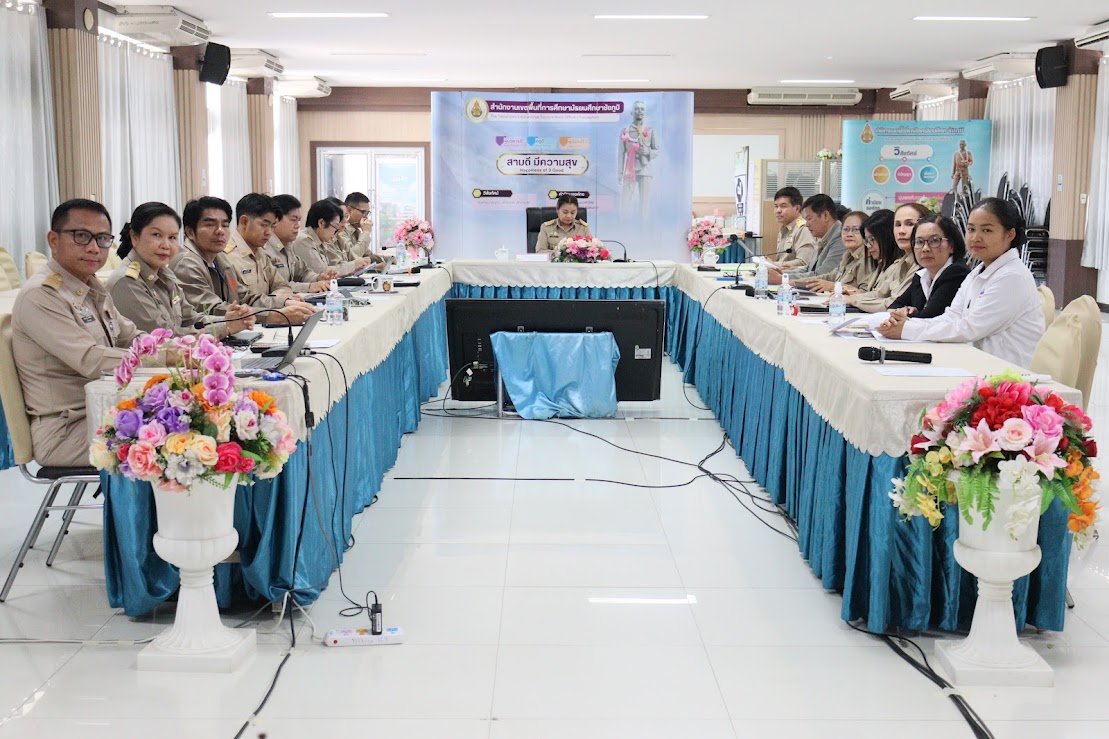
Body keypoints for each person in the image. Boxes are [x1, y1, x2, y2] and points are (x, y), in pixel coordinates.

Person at [12, 199, 141, 466]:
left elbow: (131, 336)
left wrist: (182, 350)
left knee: (200, 415)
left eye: (103, 238)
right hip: (67, 431)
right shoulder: (41, 295)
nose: (94, 248)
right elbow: (92, 360)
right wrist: (163, 360)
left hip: (105, 409)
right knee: (183, 436)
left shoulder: (90, 287)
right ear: (53, 240)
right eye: (81, 236)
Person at [877, 198, 1045, 367]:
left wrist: (907, 330)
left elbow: (971, 327)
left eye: (986, 230)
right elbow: (952, 316)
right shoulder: (977, 273)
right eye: (971, 229)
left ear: (1010, 234)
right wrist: (907, 324)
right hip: (977, 365)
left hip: (1005, 376)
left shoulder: (1012, 277)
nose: (975, 237)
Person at [107, 202, 254, 336]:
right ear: (134, 237)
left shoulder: (165, 273)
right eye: (156, 235)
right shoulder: (127, 282)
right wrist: (225, 328)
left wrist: (227, 320)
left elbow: (191, 318)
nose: (166, 245)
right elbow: (163, 337)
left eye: (172, 237)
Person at [172, 196, 314, 327]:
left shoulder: (219, 259)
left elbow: (243, 297)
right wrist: (274, 315)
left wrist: (283, 302)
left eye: (225, 225)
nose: (220, 231)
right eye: (210, 225)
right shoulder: (187, 263)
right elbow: (213, 309)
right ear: (190, 232)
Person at [223, 193, 315, 326]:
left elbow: (281, 285)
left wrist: (281, 299)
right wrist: (280, 302)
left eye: (272, 226)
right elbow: (241, 301)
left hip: (268, 322)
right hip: (248, 326)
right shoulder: (227, 257)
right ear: (244, 221)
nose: (269, 232)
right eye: (264, 225)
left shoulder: (260, 251)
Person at [845, 203, 929, 313]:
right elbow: (879, 293)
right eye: (897, 225)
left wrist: (854, 300)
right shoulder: (900, 264)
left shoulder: (922, 265)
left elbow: (894, 303)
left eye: (909, 224)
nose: (901, 231)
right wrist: (851, 298)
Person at [886, 214, 970, 319]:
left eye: (934, 240)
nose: (925, 248)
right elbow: (894, 306)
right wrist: (905, 310)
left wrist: (907, 314)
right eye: (919, 242)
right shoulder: (922, 274)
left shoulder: (957, 273)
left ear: (952, 246)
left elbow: (930, 317)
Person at [265, 194, 336, 293]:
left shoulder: (287, 246)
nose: (297, 226)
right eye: (293, 220)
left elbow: (303, 273)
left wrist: (318, 278)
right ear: (275, 220)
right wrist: (309, 287)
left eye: (299, 221)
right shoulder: (265, 248)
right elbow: (275, 286)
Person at [793, 210, 877, 293]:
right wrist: (806, 281)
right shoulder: (847, 256)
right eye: (846, 229)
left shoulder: (867, 259)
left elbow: (866, 294)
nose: (849, 234)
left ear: (866, 233)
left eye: (855, 230)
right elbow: (830, 276)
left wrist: (833, 286)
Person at [774, 194, 845, 282]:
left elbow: (821, 275)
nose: (807, 224)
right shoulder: (822, 236)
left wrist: (782, 279)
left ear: (825, 216)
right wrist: (782, 273)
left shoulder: (841, 237)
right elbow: (810, 268)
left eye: (809, 218)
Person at [618, 100, 659, 218]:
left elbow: (657, 150)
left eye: (642, 109)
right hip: (629, 170)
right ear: (632, 112)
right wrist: (620, 173)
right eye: (637, 108)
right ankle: (623, 228)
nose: (639, 111)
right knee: (625, 203)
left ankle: (643, 231)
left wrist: (648, 152)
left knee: (645, 205)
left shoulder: (650, 131)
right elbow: (621, 154)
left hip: (645, 169)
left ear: (645, 113)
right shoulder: (625, 131)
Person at [767, 187, 816, 269]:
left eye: (783, 206)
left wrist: (774, 265)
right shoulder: (784, 229)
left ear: (797, 208)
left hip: (794, 278)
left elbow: (803, 262)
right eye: (776, 206)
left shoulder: (804, 229)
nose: (778, 210)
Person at [339, 191, 386, 263]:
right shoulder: (340, 230)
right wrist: (366, 232)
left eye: (367, 213)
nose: (366, 216)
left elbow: (368, 255)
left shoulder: (356, 230)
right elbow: (354, 256)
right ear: (349, 210)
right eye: (363, 212)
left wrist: (389, 259)